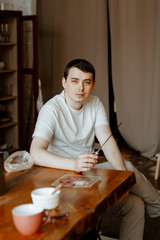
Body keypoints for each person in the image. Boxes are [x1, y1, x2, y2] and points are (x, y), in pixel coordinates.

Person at [30, 59, 160, 240]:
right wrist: (74, 164)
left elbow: (107, 142)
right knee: (128, 168)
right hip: (60, 178)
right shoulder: (51, 109)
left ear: (93, 85)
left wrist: (122, 182)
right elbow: (35, 152)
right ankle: (158, 203)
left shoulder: (95, 103)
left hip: (87, 174)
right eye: (75, 81)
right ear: (64, 82)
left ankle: (156, 204)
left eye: (86, 82)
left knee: (135, 203)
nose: (80, 88)